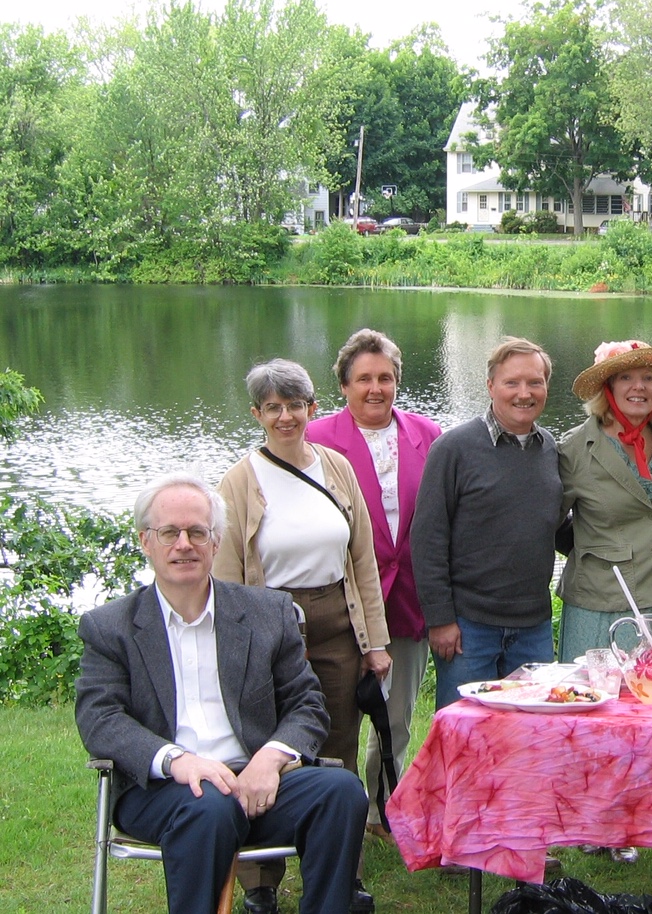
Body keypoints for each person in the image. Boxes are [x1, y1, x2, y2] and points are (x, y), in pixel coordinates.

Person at [75, 472, 367, 914]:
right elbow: (101, 719)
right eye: (169, 532)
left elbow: (306, 703)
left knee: (341, 791)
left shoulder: (267, 612)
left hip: (257, 783)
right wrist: (178, 761)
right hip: (163, 790)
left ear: (216, 542)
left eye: (198, 532)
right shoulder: (110, 627)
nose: (184, 544)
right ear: (146, 542)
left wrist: (270, 759)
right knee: (208, 806)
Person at [215, 359, 390, 914]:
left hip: (338, 622)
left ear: (313, 407)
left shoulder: (337, 467)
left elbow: (363, 559)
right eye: (273, 407)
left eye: (296, 405)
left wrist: (376, 643)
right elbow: (223, 577)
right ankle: (260, 883)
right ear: (257, 414)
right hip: (268, 628)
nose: (286, 416)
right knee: (259, 750)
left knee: (336, 746)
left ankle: (339, 876)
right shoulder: (239, 481)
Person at [307, 329, 442, 842]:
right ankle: (329, 808)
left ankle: (381, 806)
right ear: (344, 385)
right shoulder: (315, 439)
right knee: (335, 714)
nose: (376, 388)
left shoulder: (427, 435)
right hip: (340, 601)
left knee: (398, 713)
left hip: (407, 598)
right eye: (363, 378)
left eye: (385, 377)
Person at [411, 337, 563, 710]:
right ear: (491, 386)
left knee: (531, 736)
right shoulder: (453, 449)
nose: (524, 394)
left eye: (535, 382)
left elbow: (554, 525)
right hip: (468, 628)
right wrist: (440, 619)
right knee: (463, 736)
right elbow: (428, 538)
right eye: (512, 383)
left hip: (534, 628)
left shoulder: (551, 450)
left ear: (546, 386)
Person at [558, 339, 652, 663]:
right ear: (608, 387)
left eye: (648, 378)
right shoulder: (574, 448)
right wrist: (596, 551)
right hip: (602, 607)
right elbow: (547, 524)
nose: (639, 387)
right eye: (626, 377)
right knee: (598, 704)